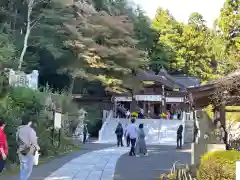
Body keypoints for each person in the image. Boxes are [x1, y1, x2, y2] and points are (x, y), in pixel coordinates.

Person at [17, 115, 40, 180]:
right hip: (29, 152)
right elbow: (34, 141)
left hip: (21, 151)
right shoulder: (30, 130)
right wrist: (37, 147)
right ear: (29, 122)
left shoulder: (18, 129)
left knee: (23, 168)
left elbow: (17, 139)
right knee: (28, 169)